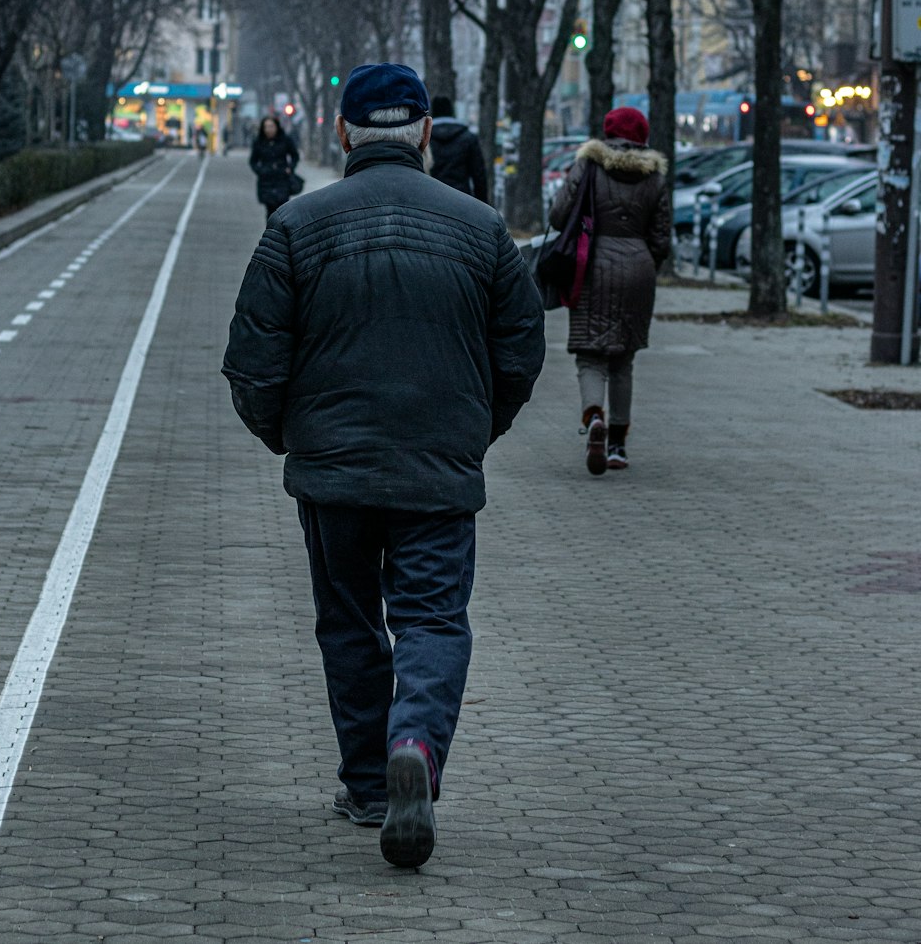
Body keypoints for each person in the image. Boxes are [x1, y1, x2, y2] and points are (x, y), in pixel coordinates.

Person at [222, 63, 544, 868]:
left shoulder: (298, 225)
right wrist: (477, 430)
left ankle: (369, 784)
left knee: (350, 622)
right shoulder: (481, 229)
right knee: (432, 619)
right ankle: (417, 747)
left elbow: (253, 362)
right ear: (427, 133)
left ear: (341, 133)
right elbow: (522, 351)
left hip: (333, 471)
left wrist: (290, 438)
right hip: (438, 466)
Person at [548, 105, 670, 476]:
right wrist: (645, 261)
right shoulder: (655, 177)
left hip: (591, 266)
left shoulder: (589, 165)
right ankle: (617, 444)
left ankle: (593, 416)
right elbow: (662, 237)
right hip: (638, 268)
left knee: (590, 356)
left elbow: (558, 215)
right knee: (623, 359)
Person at [427, 95, 489, 203]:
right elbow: (479, 176)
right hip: (462, 200)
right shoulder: (468, 138)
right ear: (452, 112)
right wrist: (483, 204)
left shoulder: (425, 139)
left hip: (432, 200)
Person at [248, 115, 299, 219]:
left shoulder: (285, 140)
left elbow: (295, 156)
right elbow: (253, 161)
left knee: (283, 210)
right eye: (266, 127)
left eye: (271, 126)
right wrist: (260, 171)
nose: (269, 129)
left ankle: (282, 233)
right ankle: (271, 233)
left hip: (282, 178)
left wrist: (290, 168)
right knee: (270, 210)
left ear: (276, 127)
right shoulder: (259, 142)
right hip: (266, 180)